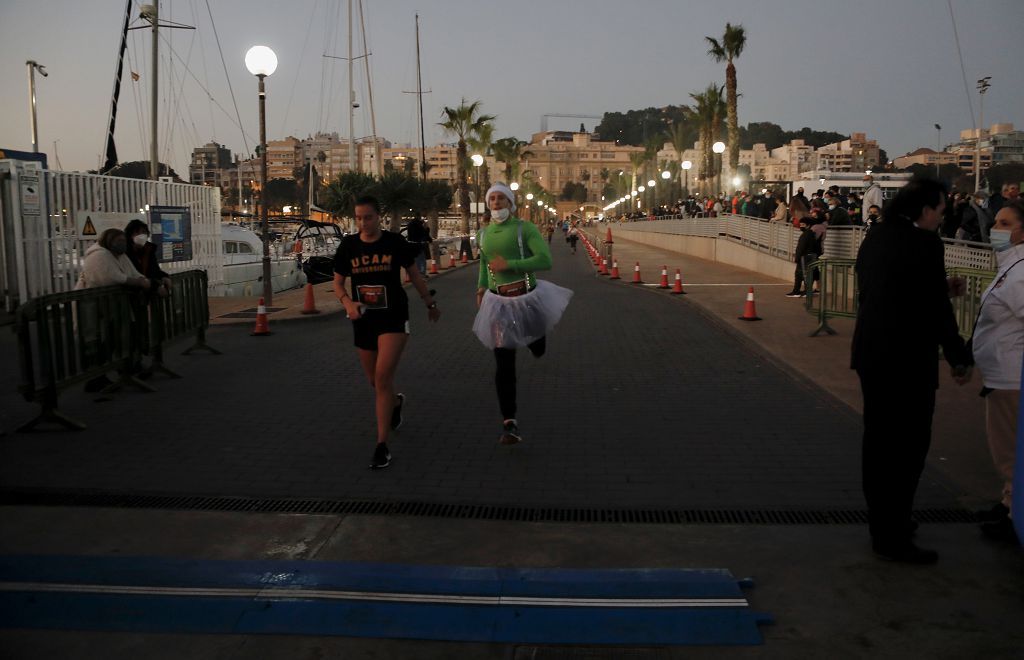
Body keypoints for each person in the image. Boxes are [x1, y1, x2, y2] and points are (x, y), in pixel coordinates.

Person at [851, 178, 973, 564]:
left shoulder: (876, 237)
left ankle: (883, 523)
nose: (941, 217)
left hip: (872, 355)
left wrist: (937, 288)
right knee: (908, 446)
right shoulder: (925, 244)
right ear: (924, 210)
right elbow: (936, 309)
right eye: (939, 210)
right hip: (907, 361)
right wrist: (958, 356)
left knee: (878, 443)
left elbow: (885, 288)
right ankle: (894, 534)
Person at [333, 195, 440, 469]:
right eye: (358, 218)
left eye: (367, 217)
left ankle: (382, 445)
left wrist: (429, 302)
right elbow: (338, 283)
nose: (363, 223)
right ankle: (395, 403)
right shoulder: (349, 246)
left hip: (393, 316)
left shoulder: (394, 243)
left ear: (378, 216)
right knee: (375, 382)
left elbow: (414, 274)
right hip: (363, 319)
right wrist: (347, 303)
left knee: (382, 378)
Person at [473, 183, 572, 445]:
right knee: (504, 364)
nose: (496, 203)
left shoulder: (524, 229)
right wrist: (481, 288)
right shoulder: (482, 235)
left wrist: (511, 264)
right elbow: (485, 264)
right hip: (498, 303)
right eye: (492, 198)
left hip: (527, 299)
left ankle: (536, 338)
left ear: (510, 203)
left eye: (501, 198)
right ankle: (509, 421)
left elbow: (545, 260)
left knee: (537, 346)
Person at [971, 198, 1024, 545]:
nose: (995, 230)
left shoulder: (1021, 272)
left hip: (1010, 375)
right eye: (997, 222)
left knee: (1009, 452)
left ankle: (1014, 517)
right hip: (999, 373)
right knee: (1005, 447)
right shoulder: (1010, 265)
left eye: (1005, 224)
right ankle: (1008, 503)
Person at [75, 228, 152, 391]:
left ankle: (125, 367)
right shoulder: (99, 255)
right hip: (95, 307)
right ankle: (96, 377)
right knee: (100, 340)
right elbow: (111, 278)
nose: (122, 244)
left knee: (117, 337)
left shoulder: (119, 255)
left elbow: (132, 272)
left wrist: (141, 279)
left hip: (113, 306)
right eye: (118, 241)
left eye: (123, 241)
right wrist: (139, 282)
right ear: (108, 242)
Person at [124, 219, 171, 298]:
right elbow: (132, 275)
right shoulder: (124, 252)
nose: (141, 235)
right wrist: (155, 286)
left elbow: (154, 269)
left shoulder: (149, 250)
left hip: (145, 294)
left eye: (144, 232)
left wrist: (164, 276)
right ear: (130, 235)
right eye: (137, 232)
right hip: (130, 295)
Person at [786, 216, 817, 297]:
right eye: (800, 224)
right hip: (808, 257)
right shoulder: (811, 234)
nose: (801, 226)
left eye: (803, 224)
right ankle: (803, 291)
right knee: (805, 275)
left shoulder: (806, 235)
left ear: (808, 225)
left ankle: (798, 291)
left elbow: (801, 247)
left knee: (800, 275)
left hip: (804, 258)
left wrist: (797, 257)